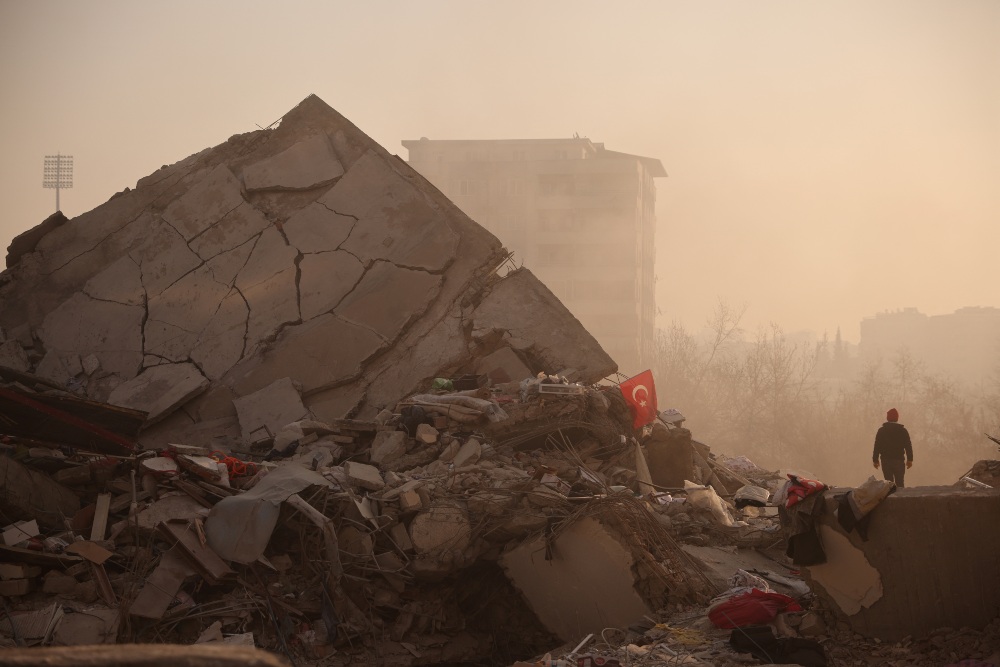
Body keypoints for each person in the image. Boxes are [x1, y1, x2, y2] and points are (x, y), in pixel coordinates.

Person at [872, 408, 913, 487]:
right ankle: (900, 499)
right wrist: (910, 459)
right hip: (899, 460)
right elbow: (908, 445)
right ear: (897, 418)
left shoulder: (881, 431)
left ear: (887, 418)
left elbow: (877, 445)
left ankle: (890, 498)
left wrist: (875, 460)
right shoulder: (903, 431)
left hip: (885, 460)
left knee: (888, 484)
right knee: (900, 483)